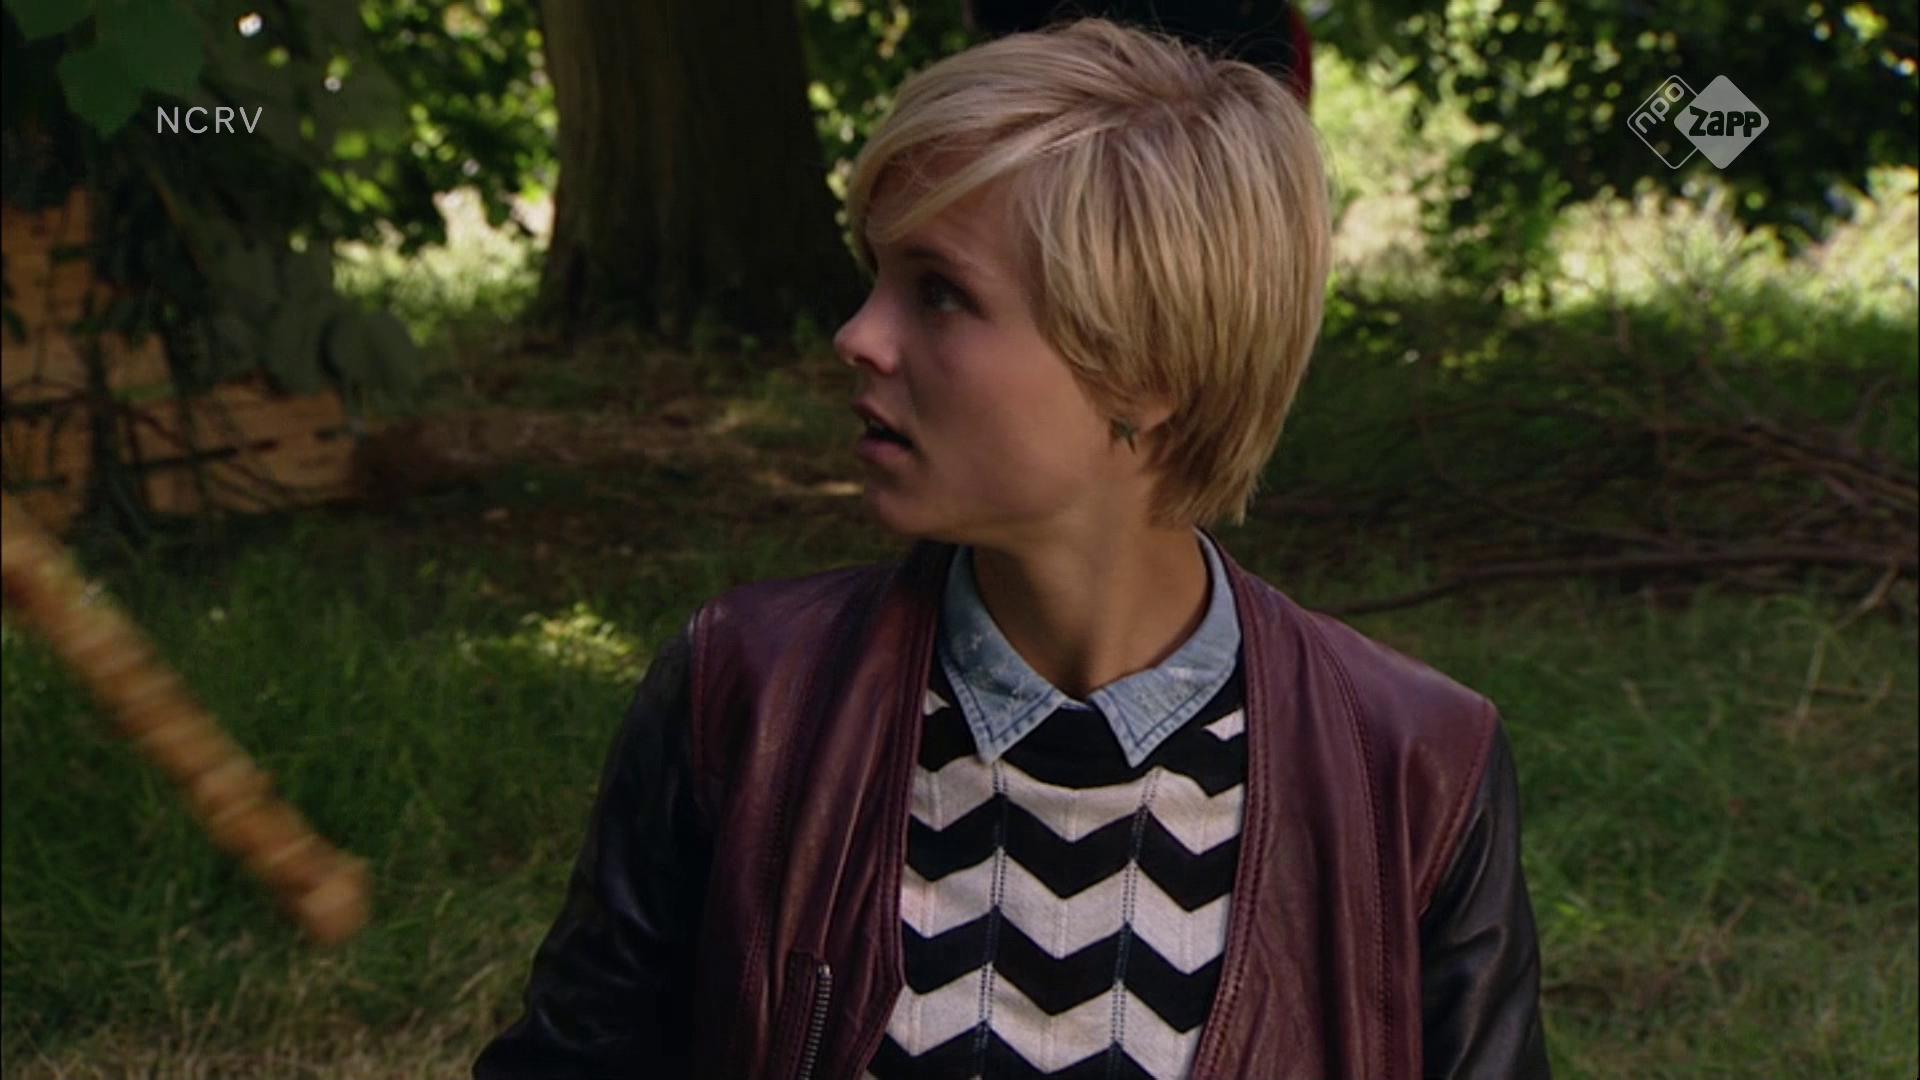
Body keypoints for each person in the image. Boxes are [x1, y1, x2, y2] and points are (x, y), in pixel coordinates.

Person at [474, 17, 1548, 1080]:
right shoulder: (749, 693)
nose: (858, 336)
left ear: (1146, 370)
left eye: (939, 292)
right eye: (875, 275)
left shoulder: (1413, 767)